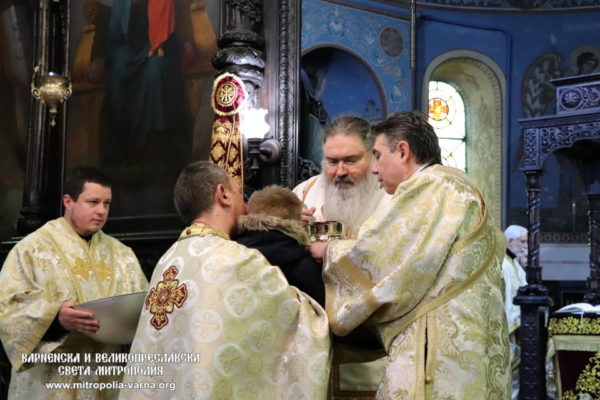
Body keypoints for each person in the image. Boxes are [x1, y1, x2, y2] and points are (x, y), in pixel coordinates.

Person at [312, 112, 510, 399]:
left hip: (440, 346)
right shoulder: (453, 186)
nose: (375, 169)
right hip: (466, 340)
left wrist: (327, 250)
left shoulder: (433, 187)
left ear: (403, 151)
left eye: (378, 156)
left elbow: (383, 252)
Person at [120, 161, 331, 399]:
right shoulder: (237, 260)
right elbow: (304, 319)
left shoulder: (168, 260)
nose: (247, 206)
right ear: (223, 194)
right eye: (240, 193)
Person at [0, 166, 148, 400]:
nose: (101, 211)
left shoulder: (122, 254)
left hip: (106, 372)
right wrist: (55, 319)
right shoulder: (31, 249)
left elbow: (143, 307)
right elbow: (8, 310)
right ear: (68, 201)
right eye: (93, 202)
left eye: (107, 203)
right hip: (54, 378)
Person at [293, 115, 391, 239]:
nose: (340, 172)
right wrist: (290, 230)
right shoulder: (304, 192)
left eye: (350, 161)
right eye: (332, 162)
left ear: (373, 156)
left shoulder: (394, 195)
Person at [234, 185, 325, 306]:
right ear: (298, 222)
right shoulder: (304, 266)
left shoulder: (232, 252)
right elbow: (319, 310)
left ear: (249, 212)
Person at [503, 225, 528, 400]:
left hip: (519, 325)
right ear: (510, 241)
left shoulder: (514, 264)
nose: (525, 246)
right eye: (523, 242)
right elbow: (506, 299)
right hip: (509, 327)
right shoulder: (503, 264)